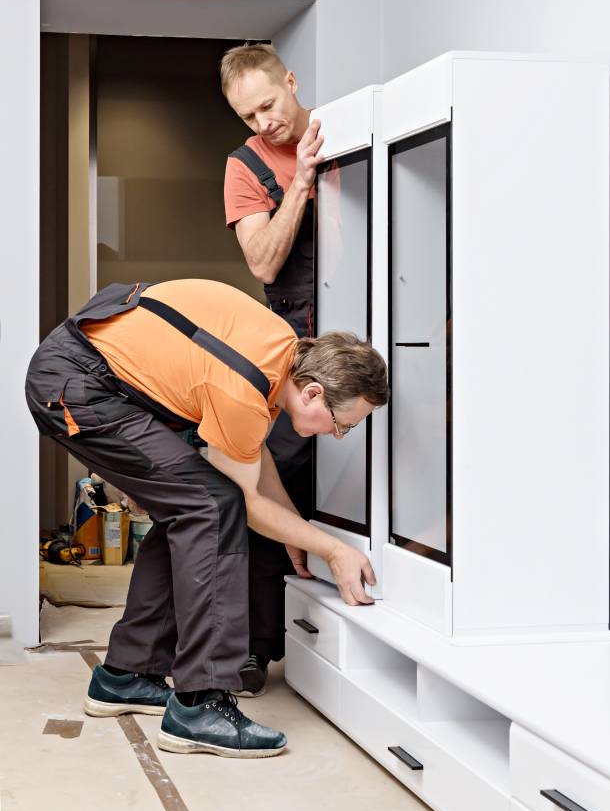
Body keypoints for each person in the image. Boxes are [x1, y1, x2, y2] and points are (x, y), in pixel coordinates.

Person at [25, 279, 387, 759]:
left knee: (192, 505)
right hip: (79, 385)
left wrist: (297, 530)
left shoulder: (275, 352)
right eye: (344, 423)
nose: (339, 435)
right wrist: (333, 548)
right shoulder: (244, 387)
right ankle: (201, 704)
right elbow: (250, 503)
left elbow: (254, 461)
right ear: (313, 393)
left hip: (89, 373)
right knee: (212, 506)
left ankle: (127, 674)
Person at [222, 43, 323, 696]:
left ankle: (334, 624)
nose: (263, 121)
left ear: (291, 81)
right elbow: (262, 260)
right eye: (247, 113)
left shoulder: (346, 130)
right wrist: (303, 183)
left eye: (269, 103)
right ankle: (259, 645)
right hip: (292, 345)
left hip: (363, 334)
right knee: (269, 486)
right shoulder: (245, 166)